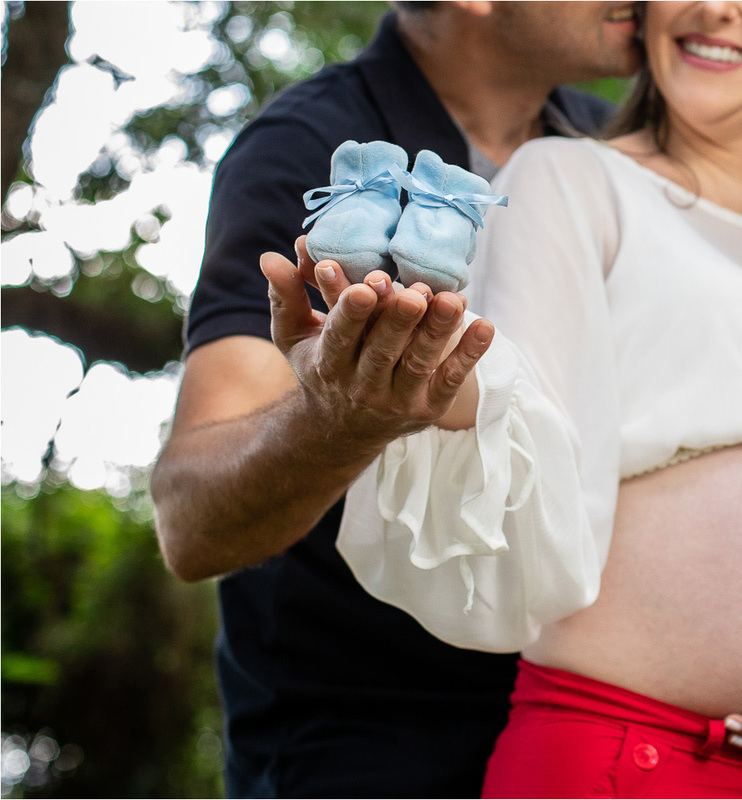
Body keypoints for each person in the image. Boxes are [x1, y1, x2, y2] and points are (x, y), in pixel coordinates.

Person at [309, 1, 742, 798]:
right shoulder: (571, 180)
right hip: (618, 759)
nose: (715, 7)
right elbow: (516, 403)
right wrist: (416, 371)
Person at [150, 4, 640, 797]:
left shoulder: (615, 143)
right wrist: (339, 423)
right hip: (362, 747)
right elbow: (190, 521)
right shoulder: (304, 145)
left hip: (588, 729)